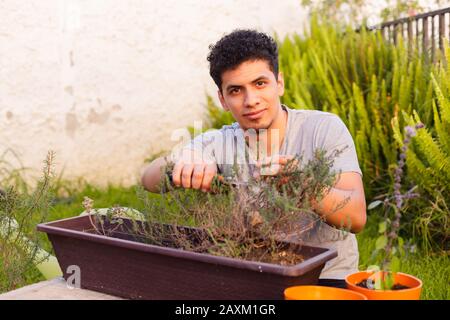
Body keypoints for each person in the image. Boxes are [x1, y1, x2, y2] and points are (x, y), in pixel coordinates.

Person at [141, 29, 366, 288]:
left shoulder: (323, 129)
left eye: (260, 84)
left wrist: (305, 184)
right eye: (236, 90)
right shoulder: (220, 141)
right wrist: (183, 162)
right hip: (257, 272)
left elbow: (356, 218)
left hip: (325, 278)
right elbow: (148, 178)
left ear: (278, 82)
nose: (251, 101)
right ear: (223, 100)